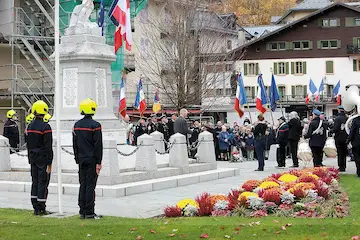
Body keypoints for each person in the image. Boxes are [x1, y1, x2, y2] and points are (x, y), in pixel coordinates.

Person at [72, 98, 103, 219]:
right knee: (90, 185)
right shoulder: (95, 126)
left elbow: (75, 144)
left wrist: (77, 158)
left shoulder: (77, 125)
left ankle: (82, 210)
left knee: (82, 184)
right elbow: (98, 145)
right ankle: (89, 211)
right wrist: (98, 162)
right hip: (92, 159)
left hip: (81, 159)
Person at [26, 100, 53, 215]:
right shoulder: (46, 127)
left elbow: (28, 144)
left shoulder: (29, 126)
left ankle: (34, 205)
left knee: (35, 181)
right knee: (43, 182)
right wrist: (50, 162)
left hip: (33, 157)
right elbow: (48, 146)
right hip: (42, 158)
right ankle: (41, 206)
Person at [333, 106, 348, 172]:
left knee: (340, 152)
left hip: (339, 137)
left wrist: (332, 130)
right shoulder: (347, 118)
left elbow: (335, 128)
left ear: (339, 110)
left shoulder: (337, 118)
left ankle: (341, 166)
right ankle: (344, 166)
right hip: (346, 137)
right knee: (344, 153)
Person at [347, 112, 360, 177]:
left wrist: (348, 140)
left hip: (357, 142)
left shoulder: (355, 120)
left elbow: (352, 132)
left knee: (357, 157)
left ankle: (359, 172)